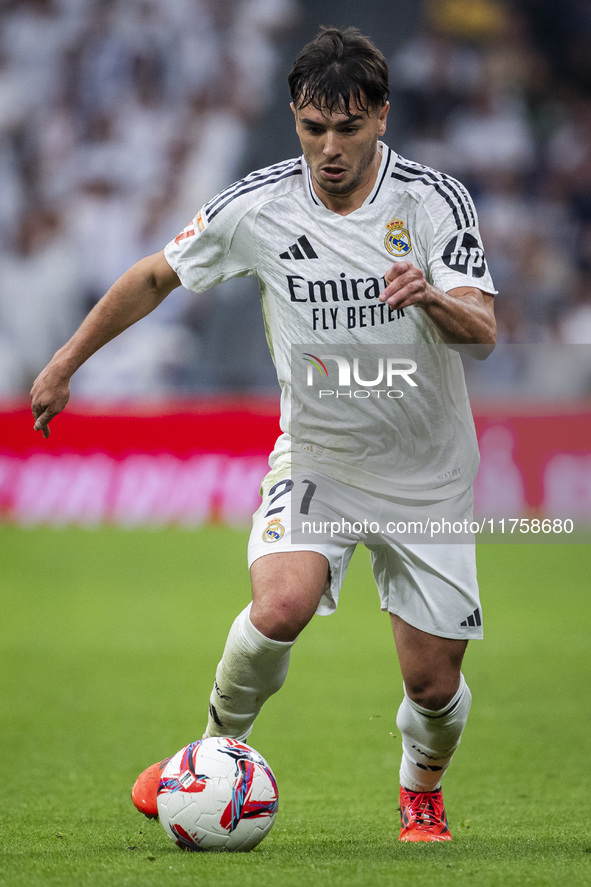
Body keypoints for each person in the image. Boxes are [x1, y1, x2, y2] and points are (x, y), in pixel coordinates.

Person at [30, 26, 497, 843]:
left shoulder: (431, 201)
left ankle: (420, 789)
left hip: (427, 472)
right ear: (294, 119)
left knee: (431, 683)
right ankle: (210, 752)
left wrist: (428, 296)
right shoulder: (258, 205)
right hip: (318, 457)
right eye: (313, 128)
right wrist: (65, 361)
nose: (329, 148)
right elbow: (152, 276)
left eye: (347, 128)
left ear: (381, 117)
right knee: (280, 604)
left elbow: (483, 329)